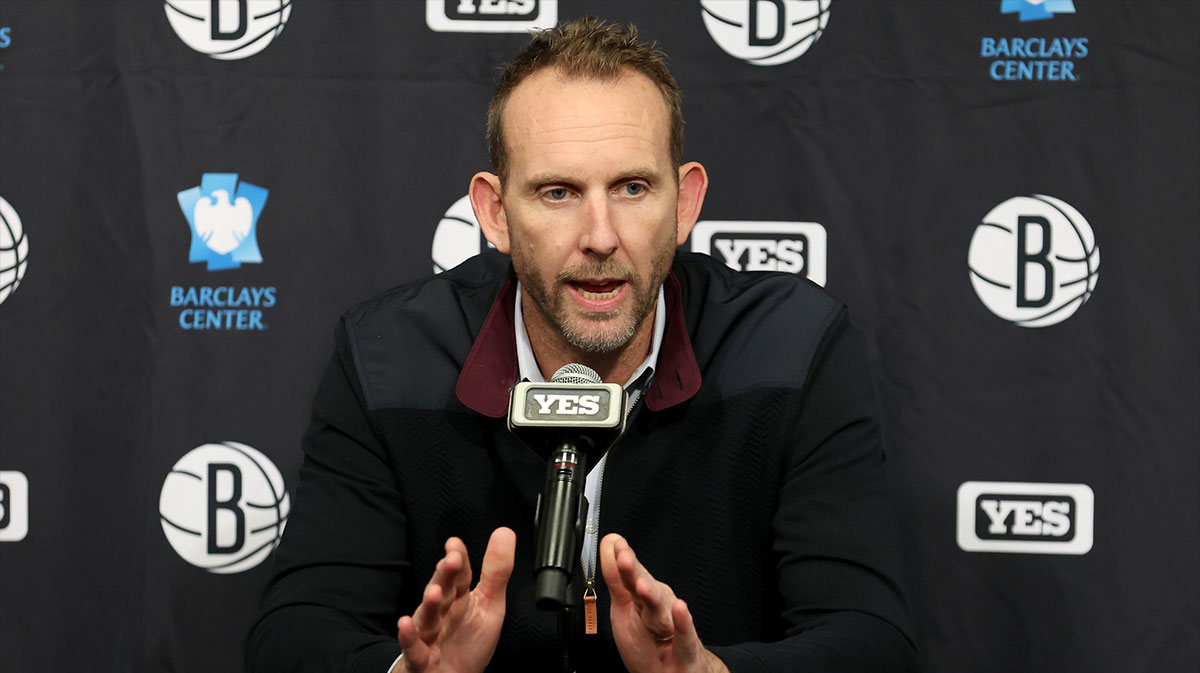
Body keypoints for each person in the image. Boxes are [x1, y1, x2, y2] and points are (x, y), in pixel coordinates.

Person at [246, 17, 918, 673]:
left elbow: (870, 639)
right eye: (558, 191)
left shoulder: (791, 349)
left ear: (684, 204)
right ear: (496, 214)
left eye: (632, 187)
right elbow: (293, 636)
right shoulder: (389, 358)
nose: (600, 236)